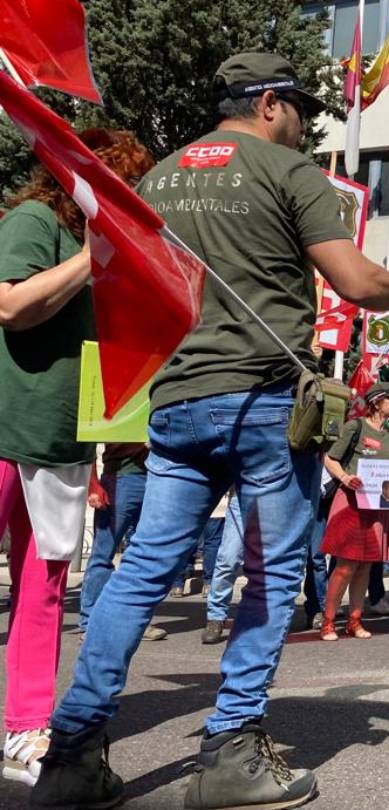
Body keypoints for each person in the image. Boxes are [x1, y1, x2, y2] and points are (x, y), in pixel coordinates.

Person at [34, 54, 389, 810]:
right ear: (269, 103)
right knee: (266, 574)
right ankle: (231, 752)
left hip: (177, 403)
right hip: (267, 402)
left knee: (140, 574)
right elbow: (356, 283)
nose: (304, 123)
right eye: (299, 108)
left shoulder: (157, 177)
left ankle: (70, 755)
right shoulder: (290, 173)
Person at [0, 129, 154, 791]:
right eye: (124, 184)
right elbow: (9, 304)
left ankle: (26, 728)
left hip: (63, 443)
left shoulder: (108, 249)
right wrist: (91, 259)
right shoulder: (34, 220)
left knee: (44, 592)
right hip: (7, 430)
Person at [319, 382, 389, 641]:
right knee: (345, 566)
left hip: (377, 506)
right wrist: (345, 477)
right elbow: (329, 458)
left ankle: (355, 620)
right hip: (351, 503)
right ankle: (329, 621)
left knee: (366, 566)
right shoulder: (354, 426)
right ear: (377, 401)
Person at [78, 443, 168, 641]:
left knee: (145, 557)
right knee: (103, 553)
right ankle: (91, 623)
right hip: (121, 477)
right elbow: (89, 438)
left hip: (158, 477)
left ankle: (136, 622)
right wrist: (92, 484)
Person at [202, 493, 245, 645]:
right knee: (228, 558)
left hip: (279, 495)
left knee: (269, 562)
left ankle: (255, 611)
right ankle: (216, 617)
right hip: (241, 496)